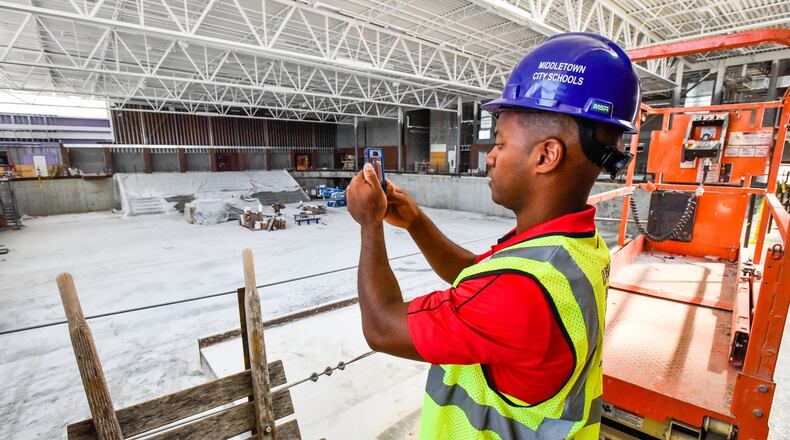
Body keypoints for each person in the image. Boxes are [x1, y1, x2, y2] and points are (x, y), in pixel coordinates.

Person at [346, 32, 641, 439]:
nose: (490, 156)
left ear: (546, 155)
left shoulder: (523, 288)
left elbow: (381, 328)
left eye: (500, 142)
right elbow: (474, 276)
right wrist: (416, 222)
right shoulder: (574, 247)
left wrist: (369, 223)